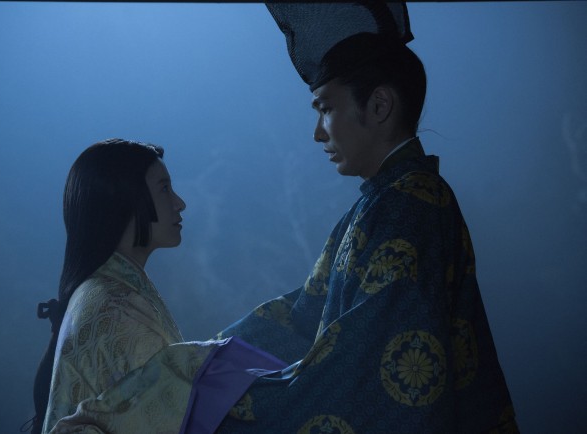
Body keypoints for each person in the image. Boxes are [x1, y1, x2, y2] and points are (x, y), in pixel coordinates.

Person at [212, 3, 519, 433]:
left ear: (378, 105)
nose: (318, 132)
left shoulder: (409, 208)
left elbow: (365, 372)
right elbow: (303, 318)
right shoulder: (390, 201)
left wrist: (215, 395)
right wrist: (201, 360)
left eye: (325, 108)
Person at [26, 139, 286, 434]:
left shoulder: (110, 292)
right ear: (124, 200)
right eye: (164, 189)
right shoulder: (114, 308)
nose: (179, 203)